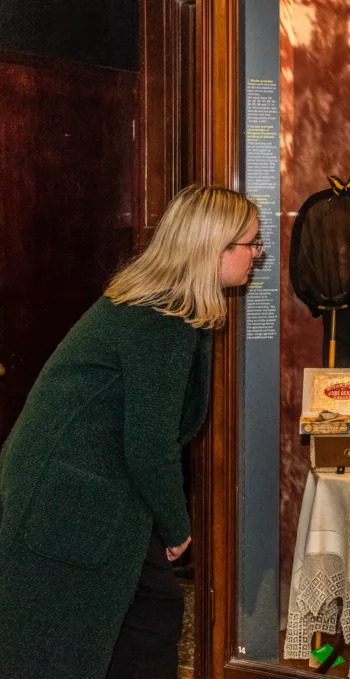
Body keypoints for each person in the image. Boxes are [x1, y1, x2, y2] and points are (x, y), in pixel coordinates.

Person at [0, 185, 261, 679]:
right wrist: (177, 526)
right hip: (69, 502)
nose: (257, 253)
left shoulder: (164, 307)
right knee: (126, 631)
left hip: (88, 493)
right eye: (250, 243)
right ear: (214, 248)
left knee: (143, 621)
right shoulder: (159, 320)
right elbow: (148, 444)